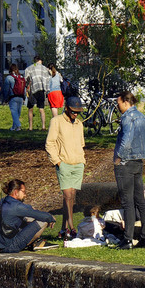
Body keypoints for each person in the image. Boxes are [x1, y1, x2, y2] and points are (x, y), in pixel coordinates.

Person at [112, 90, 145, 248]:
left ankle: (127, 239)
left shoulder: (128, 117)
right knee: (141, 201)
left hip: (126, 163)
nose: (118, 105)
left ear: (126, 102)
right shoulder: (143, 117)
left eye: (119, 102)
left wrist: (118, 157)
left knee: (127, 202)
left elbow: (127, 140)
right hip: (139, 161)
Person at [45, 95, 87, 237]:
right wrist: (57, 162)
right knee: (67, 195)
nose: (76, 114)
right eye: (73, 111)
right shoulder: (56, 121)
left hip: (77, 164)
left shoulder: (79, 124)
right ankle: (71, 227)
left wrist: (82, 161)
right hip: (64, 163)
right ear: (67, 108)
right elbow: (50, 143)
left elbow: (81, 144)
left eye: (78, 112)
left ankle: (63, 229)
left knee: (71, 197)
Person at [0, 178, 55, 252]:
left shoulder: (3, 202)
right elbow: (44, 216)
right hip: (10, 247)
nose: (25, 195)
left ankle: (31, 241)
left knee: (27, 217)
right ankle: (30, 243)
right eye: (23, 192)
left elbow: (26, 211)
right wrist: (52, 218)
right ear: (16, 192)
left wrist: (30, 209)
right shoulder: (17, 207)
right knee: (43, 220)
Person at [23, 57, 51, 130]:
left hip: (32, 89)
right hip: (41, 89)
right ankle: (43, 126)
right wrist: (47, 90)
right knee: (41, 109)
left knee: (30, 108)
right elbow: (48, 79)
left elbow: (26, 78)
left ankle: (30, 127)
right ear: (40, 60)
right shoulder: (44, 68)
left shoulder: (29, 68)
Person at [6, 63, 26, 132]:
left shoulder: (9, 78)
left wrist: (5, 98)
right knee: (18, 113)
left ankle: (18, 126)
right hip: (20, 97)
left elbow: (6, 89)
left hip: (13, 97)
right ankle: (14, 127)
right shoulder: (21, 77)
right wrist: (24, 97)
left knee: (14, 112)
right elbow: (24, 88)